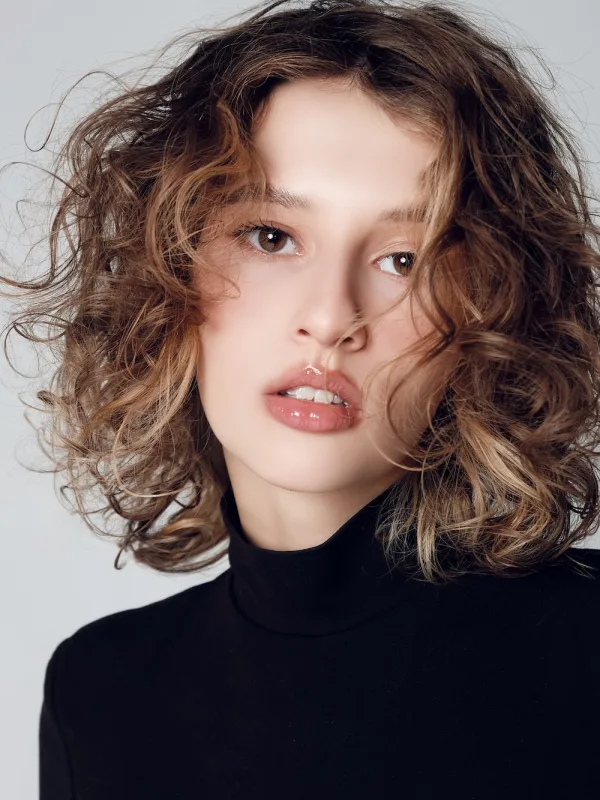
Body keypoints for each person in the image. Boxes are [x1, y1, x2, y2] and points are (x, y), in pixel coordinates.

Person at [2, 0, 600, 797]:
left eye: (405, 259)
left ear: (492, 315)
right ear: (168, 268)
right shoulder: (100, 693)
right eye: (272, 237)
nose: (330, 317)